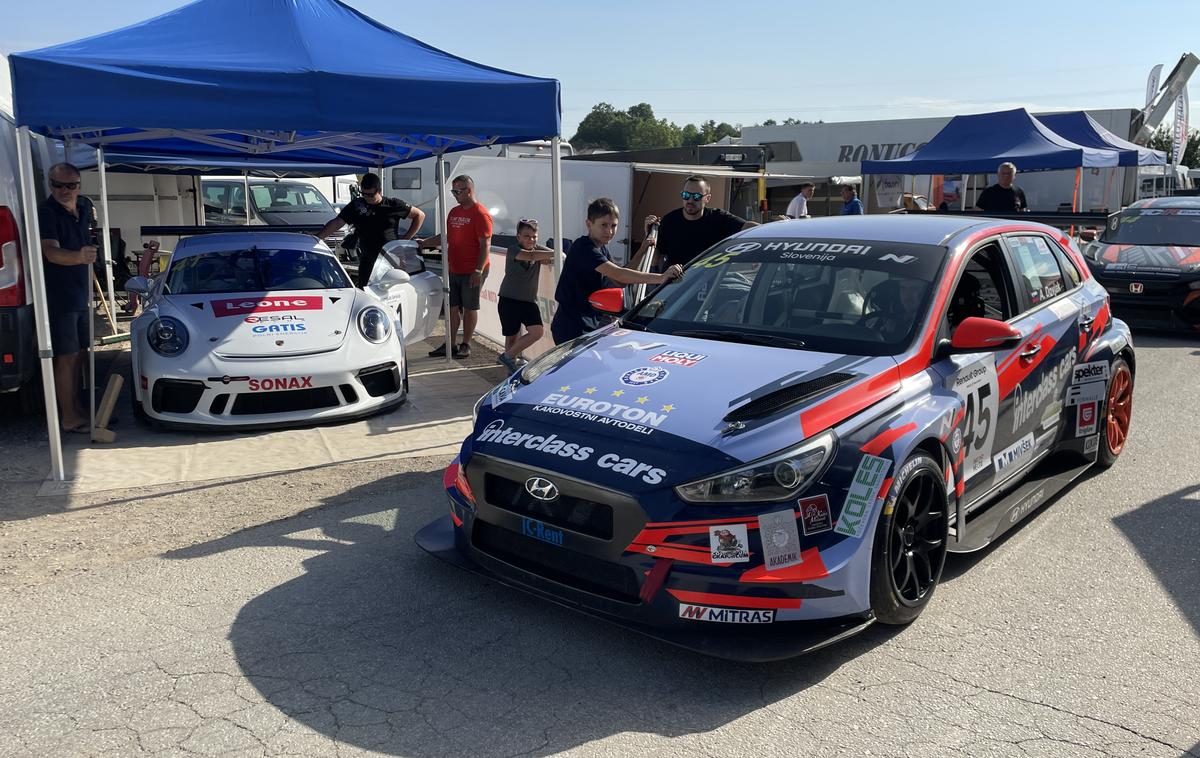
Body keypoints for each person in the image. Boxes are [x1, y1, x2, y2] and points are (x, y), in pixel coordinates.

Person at [551, 198, 683, 345]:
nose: (609, 231)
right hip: (571, 327)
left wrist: (642, 249)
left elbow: (620, 280)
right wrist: (661, 278)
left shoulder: (601, 248)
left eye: (613, 226)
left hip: (588, 323)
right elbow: (619, 275)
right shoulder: (584, 248)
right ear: (589, 224)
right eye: (603, 225)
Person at [38, 163, 97, 434]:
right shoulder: (46, 214)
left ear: (79, 186)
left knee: (81, 354)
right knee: (66, 357)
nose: (64, 190)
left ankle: (78, 409)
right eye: (57, 184)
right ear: (50, 184)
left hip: (80, 292)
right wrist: (79, 257)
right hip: (60, 295)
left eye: (70, 185)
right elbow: (50, 252)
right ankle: (69, 417)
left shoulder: (82, 211)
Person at [417, 175, 492, 358]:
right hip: (455, 268)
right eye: (453, 191)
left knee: (469, 307)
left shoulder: (480, 214)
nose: (455, 195)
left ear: (469, 191)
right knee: (452, 306)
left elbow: (485, 245)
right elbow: (448, 236)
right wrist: (425, 243)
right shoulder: (454, 212)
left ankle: (466, 343)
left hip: (472, 270)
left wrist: (478, 271)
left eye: (457, 191)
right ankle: (450, 344)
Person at [316, 173, 424, 288]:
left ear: (379, 191)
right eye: (364, 194)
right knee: (367, 290)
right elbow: (337, 222)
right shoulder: (356, 206)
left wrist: (407, 237)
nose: (367, 198)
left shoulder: (393, 204)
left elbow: (419, 215)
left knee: (395, 291)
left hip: (392, 258)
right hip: (369, 260)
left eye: (371, 195)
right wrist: (318, 237)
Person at [632, 175, 759, 271]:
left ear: (707, 198)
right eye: (686, 195)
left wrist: (777, 227)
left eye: (697, 197)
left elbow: (748, 227)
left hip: (705, 284)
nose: (690, 200)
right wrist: (648, 234)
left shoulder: (718, 218)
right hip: (673, 284)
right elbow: (655, 261)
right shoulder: (670, 220)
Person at [496, 219, 552, 374]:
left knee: (537, 332)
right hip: (509, 300)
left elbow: (559, 253)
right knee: (511, 337)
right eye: (526, 236)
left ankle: (507, 356)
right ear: (518, 236)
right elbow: (532, 257)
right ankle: (510, 370)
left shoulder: (538, 248)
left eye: (534, 236)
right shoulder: (513, 249)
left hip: (528, 302)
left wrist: (555, 253)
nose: (531, 240)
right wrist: (552, 253)